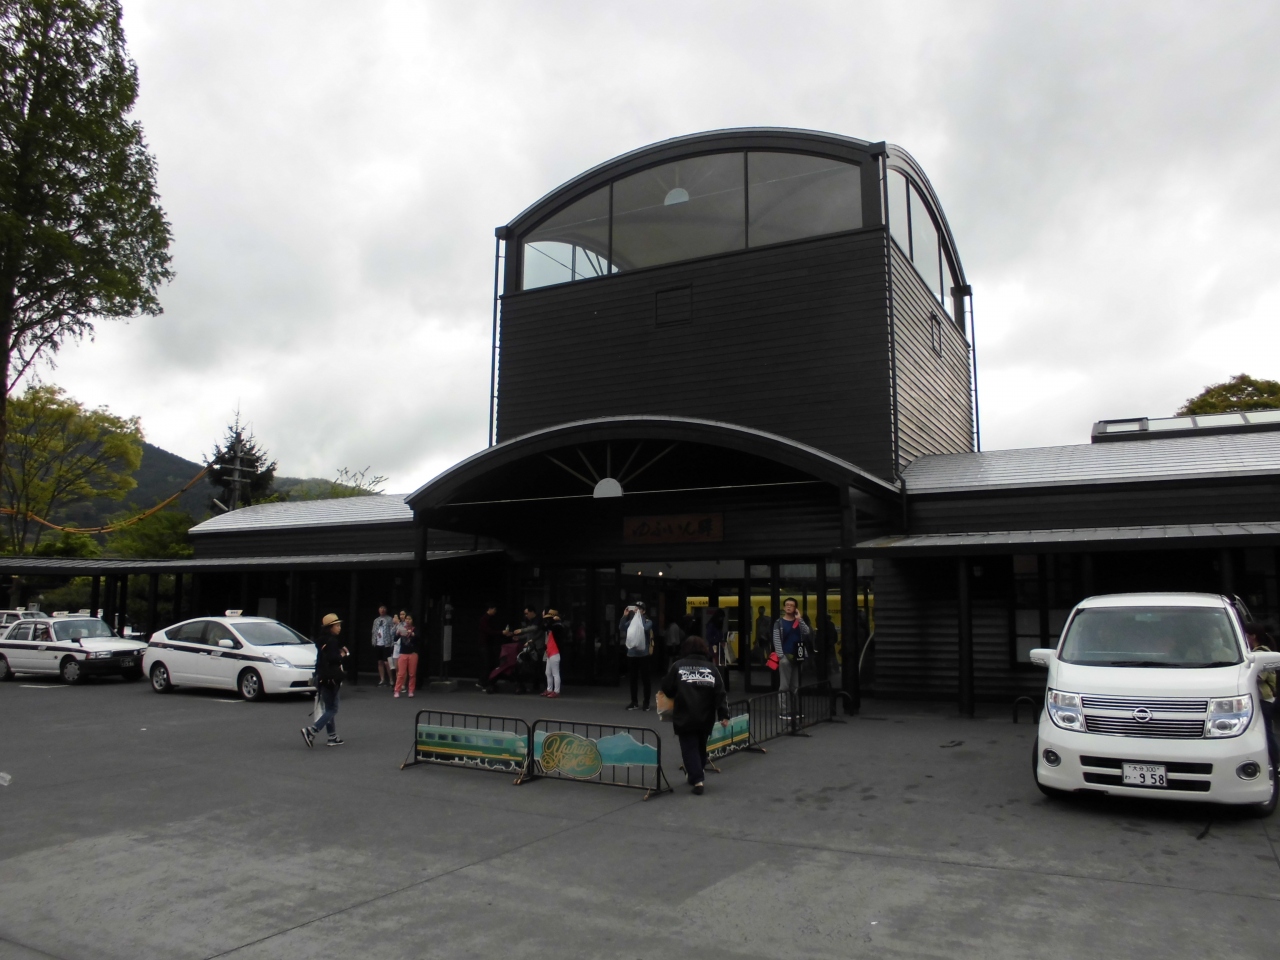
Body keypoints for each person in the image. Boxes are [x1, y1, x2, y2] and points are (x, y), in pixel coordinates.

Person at [660, 635, 730, 795]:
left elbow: (667, 688)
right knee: (700, 746)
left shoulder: (678, 666)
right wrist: (723, 714)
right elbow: (720, 693)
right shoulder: (712, 668)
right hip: (706, 715)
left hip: (684, 714)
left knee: (689, 747)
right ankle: (697, 773)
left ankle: (698, 780)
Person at [302, 613, 348, 747]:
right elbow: (334, 658)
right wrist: (342, 654)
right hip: (331, 678)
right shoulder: (332, 641)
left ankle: (332, 736)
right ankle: (312, 730)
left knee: (328, 708)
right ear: (330, 627)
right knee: (333, 708)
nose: (339, 628)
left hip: (321, 676)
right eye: (337, 625)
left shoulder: (321, 641)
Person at [1245, 621, 1278, 772]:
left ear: (1253, 636)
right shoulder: (1260, 651)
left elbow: (1260, 676)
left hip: (1264, 699)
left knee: (1266, 732)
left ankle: (1275, 762)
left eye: (1247, 635)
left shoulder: (1261, 654)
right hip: (1265, 699)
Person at [773, 597, 811, 722]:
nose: (789, 606)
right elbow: (776, 640)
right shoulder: (779, 623)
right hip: (786, 657)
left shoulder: (798, 622)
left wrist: (800, 619)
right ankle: (784, 711)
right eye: (787, 605)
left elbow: (807, 632)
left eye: (792, 605)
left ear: (795, 608)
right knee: (784, 686)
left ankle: (795, 709)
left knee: (795, 685)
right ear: (784, 607)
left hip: (798, 656)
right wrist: (781, 657)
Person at [620, 601, 654, 711]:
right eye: (636, 609)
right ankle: (634, 702)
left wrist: (639, 617)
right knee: (633, 679)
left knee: (646, 679)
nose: (637, 611)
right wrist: (625, 616)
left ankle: (646, 702)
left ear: (644, 611)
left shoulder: (648, 621)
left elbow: (645, 628)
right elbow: (621, 627)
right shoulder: (631, 622)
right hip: (632, 654)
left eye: (640, 609)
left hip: (644, 654)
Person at [542, 609, 568, 698]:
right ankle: (549, 689)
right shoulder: (553, 626)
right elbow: (544, 627)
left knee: (555, 673)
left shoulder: (558, 626)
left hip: (555, 652)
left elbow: (550, 627)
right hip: (550, 652)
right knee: (548, 672)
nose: (548, 620)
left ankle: (556, 691)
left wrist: (556, 620)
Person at [394, 614, 420, 698]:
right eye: (406, 619)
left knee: (412, 674)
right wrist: (397, 633)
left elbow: (418, 639)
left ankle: (411, 690)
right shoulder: (402, 628)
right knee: (401, 673)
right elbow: (395, 639)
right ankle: (397, 690)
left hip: (413, 653)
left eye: (409, 619)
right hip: (403, 653)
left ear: (412, 620)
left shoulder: (415, 629)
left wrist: (412, 634)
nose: (407, 621)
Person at [371, 605, 395, 686]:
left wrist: (392, 642)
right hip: (378, 643)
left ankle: (391, 679)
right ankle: (382, 679)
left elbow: (392, 631)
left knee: (387, 662)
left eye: (384, 608)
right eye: (381, 608)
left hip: (386, 643)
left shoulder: (389, 619)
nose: (382, 610)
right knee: (380, 661)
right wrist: (374, 640)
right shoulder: (376, 620)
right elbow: (373, 631)